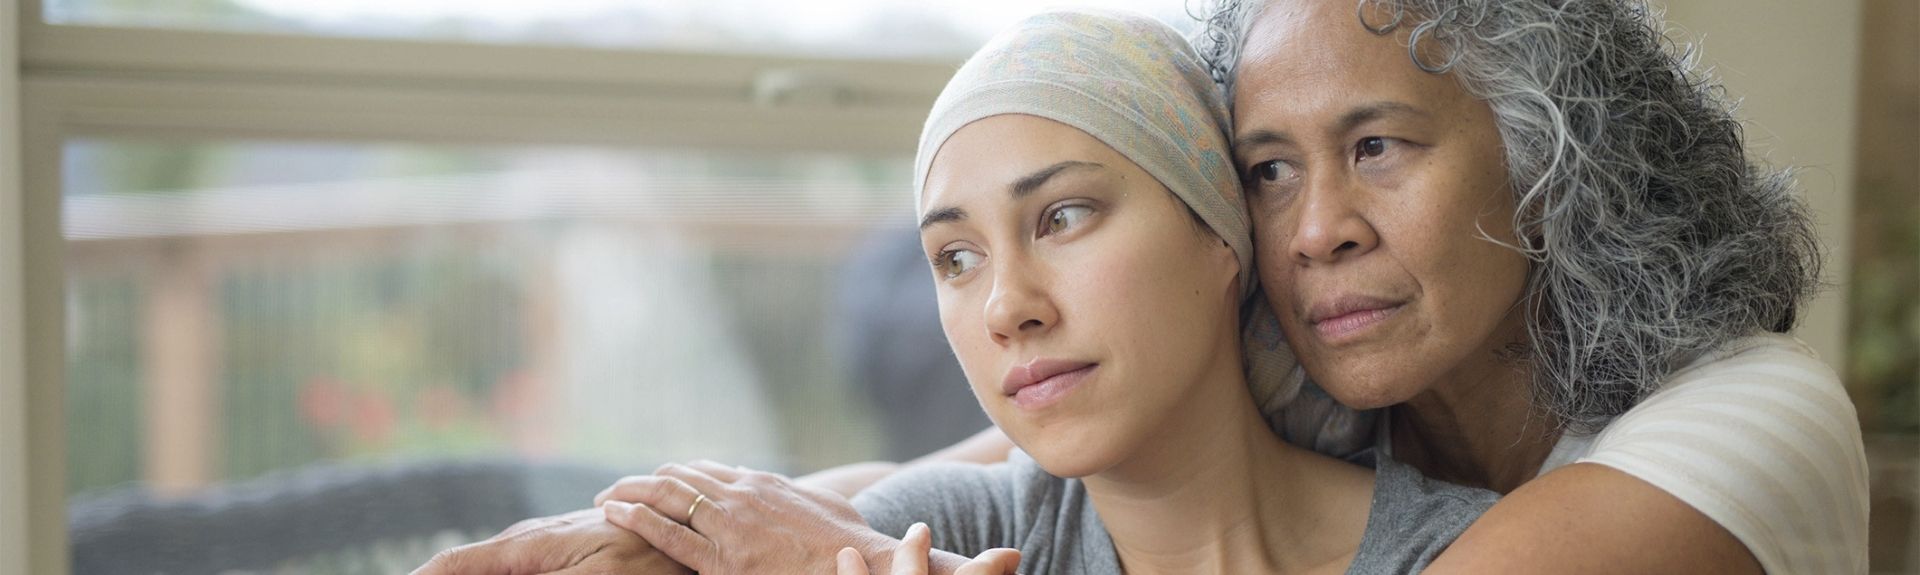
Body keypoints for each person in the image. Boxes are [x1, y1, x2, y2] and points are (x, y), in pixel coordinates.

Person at [421, 0, 1870, 572]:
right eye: (1267, 169)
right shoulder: (1332, 366)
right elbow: (948, 476)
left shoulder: (1746, 422)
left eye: (1375, 147)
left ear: (1558, 162)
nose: (1316, 230)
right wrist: (644, 536)